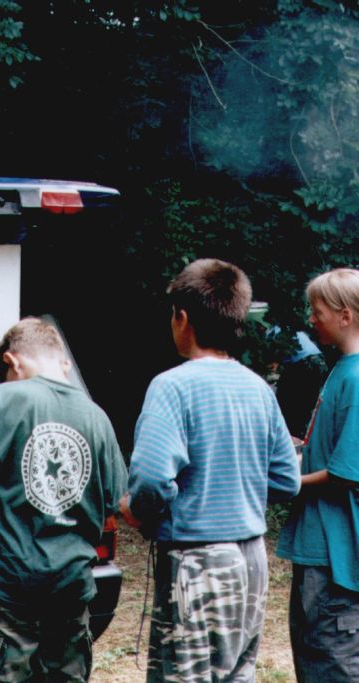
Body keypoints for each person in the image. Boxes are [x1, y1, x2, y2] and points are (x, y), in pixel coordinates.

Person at [120, 258, 301, 682]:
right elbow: (286, 480)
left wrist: (138, 511)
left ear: (182, 318)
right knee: (237, 675)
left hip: (196, 560)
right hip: (252, 558)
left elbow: (151, 479)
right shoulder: (258, 388)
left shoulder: (172, 386)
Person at [0, 316, 127, 682]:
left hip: (8, 588)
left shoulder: (1, 398)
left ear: (12, 361)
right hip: (71, 587)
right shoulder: (97, 417)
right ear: (63, 363)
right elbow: (119, 502)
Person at [276, 268, 359, 683]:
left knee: (330, 659)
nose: (311, 319)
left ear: (345, 316)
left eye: (317, 310)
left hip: (335, 553)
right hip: (319, 547)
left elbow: (348, 472)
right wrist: (298, 450)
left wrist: (285, 482)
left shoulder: (357, 377)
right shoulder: (342, 369)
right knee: (313, 655)